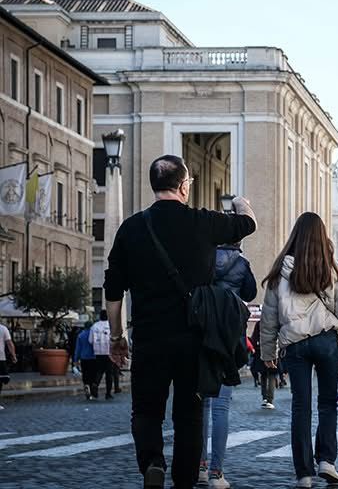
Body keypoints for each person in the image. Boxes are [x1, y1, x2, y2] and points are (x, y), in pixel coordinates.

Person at [103, 155, 257, 489]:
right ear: (184, 186)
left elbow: (113, 292)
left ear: (153, 184)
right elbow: (247, 224)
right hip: (194, 339)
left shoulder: (131, 228)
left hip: (149, 337)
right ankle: (184, 482)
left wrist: (117, 337)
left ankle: (153, 462)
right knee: (189, 415)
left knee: (146, 410)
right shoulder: (203, 221)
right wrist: (241, 204)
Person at [259, 211, 338, 488]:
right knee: (328, 403)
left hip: (294, 345)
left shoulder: (280, 270)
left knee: (300, 407)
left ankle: (304, 472)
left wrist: (267, 352)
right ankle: (326, 460)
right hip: (326, 341)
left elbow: (269, 316)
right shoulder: (332, 268)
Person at [198, 239, 258, 489]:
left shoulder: (203, 259)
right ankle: (216, 473)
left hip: (203, 335)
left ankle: (199, 466)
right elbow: (250, 293)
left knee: (202, 405)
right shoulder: (242, 264)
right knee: (221, 407)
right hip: (229, 335)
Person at [90, 310, 115, 400]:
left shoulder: (94, 326)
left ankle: (95, 384)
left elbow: (90, 340)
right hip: (109, 352)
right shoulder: (111, 326)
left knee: (99, 371)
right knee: (109, 373)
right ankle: (108, 393)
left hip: (98, 352)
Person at [251, 320, 276, 408]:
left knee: (263, 375)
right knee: (272, 375)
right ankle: (270, 399)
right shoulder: (276, 321)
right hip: (273, 350)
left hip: (260, 350)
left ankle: (265, 397)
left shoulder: (259, 323)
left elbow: (254, 337)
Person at [74, 322, 97, 400]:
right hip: (93, 357)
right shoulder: (93, 335)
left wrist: (76, 359)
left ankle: (86, 385)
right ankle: (92, 385)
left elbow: (78, 349)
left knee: (85, 373)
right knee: (93, 373)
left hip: (84, 357)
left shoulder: (80, 335)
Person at [0, 320, 16, 410]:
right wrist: (13, 355)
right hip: (0, 358)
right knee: (1, 379)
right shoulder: (3, 328)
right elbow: (9, 343)